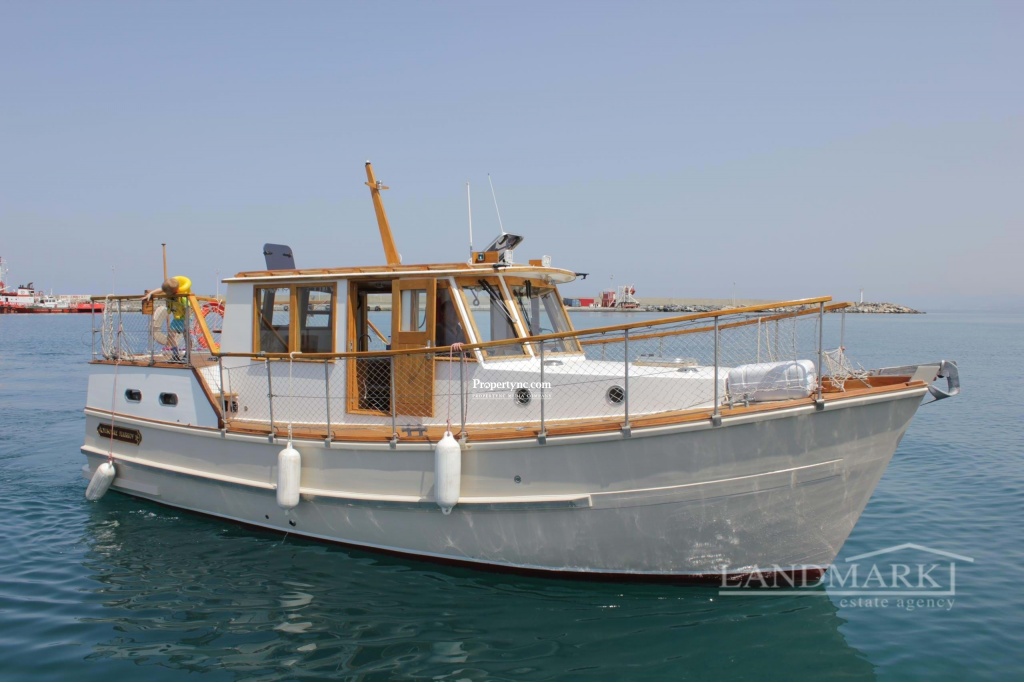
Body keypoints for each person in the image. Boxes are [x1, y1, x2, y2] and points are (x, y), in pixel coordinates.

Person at [143, 276, 192, 357]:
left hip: (184, 318)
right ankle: (175, 353)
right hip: (176, 319)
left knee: (186, 336)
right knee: (171, 335)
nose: (165, 294)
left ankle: (188, 354)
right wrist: (150, 293)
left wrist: (186, 321)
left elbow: (188, 308)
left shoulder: (182, 297)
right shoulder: (169, 293)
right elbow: (160, 289)